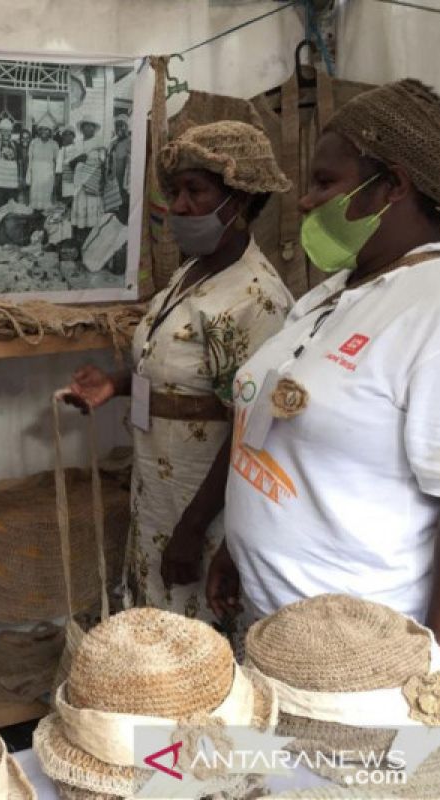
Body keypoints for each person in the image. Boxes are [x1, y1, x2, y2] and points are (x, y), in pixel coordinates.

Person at [207, 80, 440, 665]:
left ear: (393, 186)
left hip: (372, 651)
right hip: (285, 627)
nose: (306, 202)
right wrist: (237, 544)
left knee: (360, 764)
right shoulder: (338, 294)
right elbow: (276, 431)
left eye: (325, 182)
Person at [65, 121, 293, 641]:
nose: (181, 206)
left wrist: (191, 533)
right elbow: (179, 370)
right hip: (159, 492)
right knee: (156, 637)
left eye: (197, 191)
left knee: (195, 643)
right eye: (176, 192)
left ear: (241, 200)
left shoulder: (256, 299)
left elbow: (252, 430)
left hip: (204, 509)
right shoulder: (189, 274)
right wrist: (117, 383)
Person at [67, 114, 107, 241]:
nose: (88, 128)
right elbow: (70, 164)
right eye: (85, 126)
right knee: (81, 213)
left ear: (94, 128)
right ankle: (80, 242)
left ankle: (92, 243)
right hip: (79, 183)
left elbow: (104, 164)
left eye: (91, 126)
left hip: (93, 182)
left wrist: (102, 182)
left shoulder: (99, 143)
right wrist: (79, 158)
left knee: (92, 214)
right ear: (82, 128)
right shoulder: (77, 144)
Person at [26, 119, 59, 211]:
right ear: (39, 131)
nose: (44, 132)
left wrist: (56, 177)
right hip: (36, 174)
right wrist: (29, 176)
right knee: (35, 199)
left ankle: (45, 222)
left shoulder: (54, 144)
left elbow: (57, 162)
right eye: (42, 129)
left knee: (47, 199)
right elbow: (30, 160)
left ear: (50, 131)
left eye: (46, 129)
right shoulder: (33, 143)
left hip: (48, 175)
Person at [57, 127, 79, 205]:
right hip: (65, 180)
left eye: (69, 134)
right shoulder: (62, 150)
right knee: (66, 201)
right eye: (65, 135)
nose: (67, 137)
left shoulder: (78, 148)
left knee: (75, 200)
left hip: (75, 179)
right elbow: (59, 168)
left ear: (73, 136)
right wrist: (58, 183)